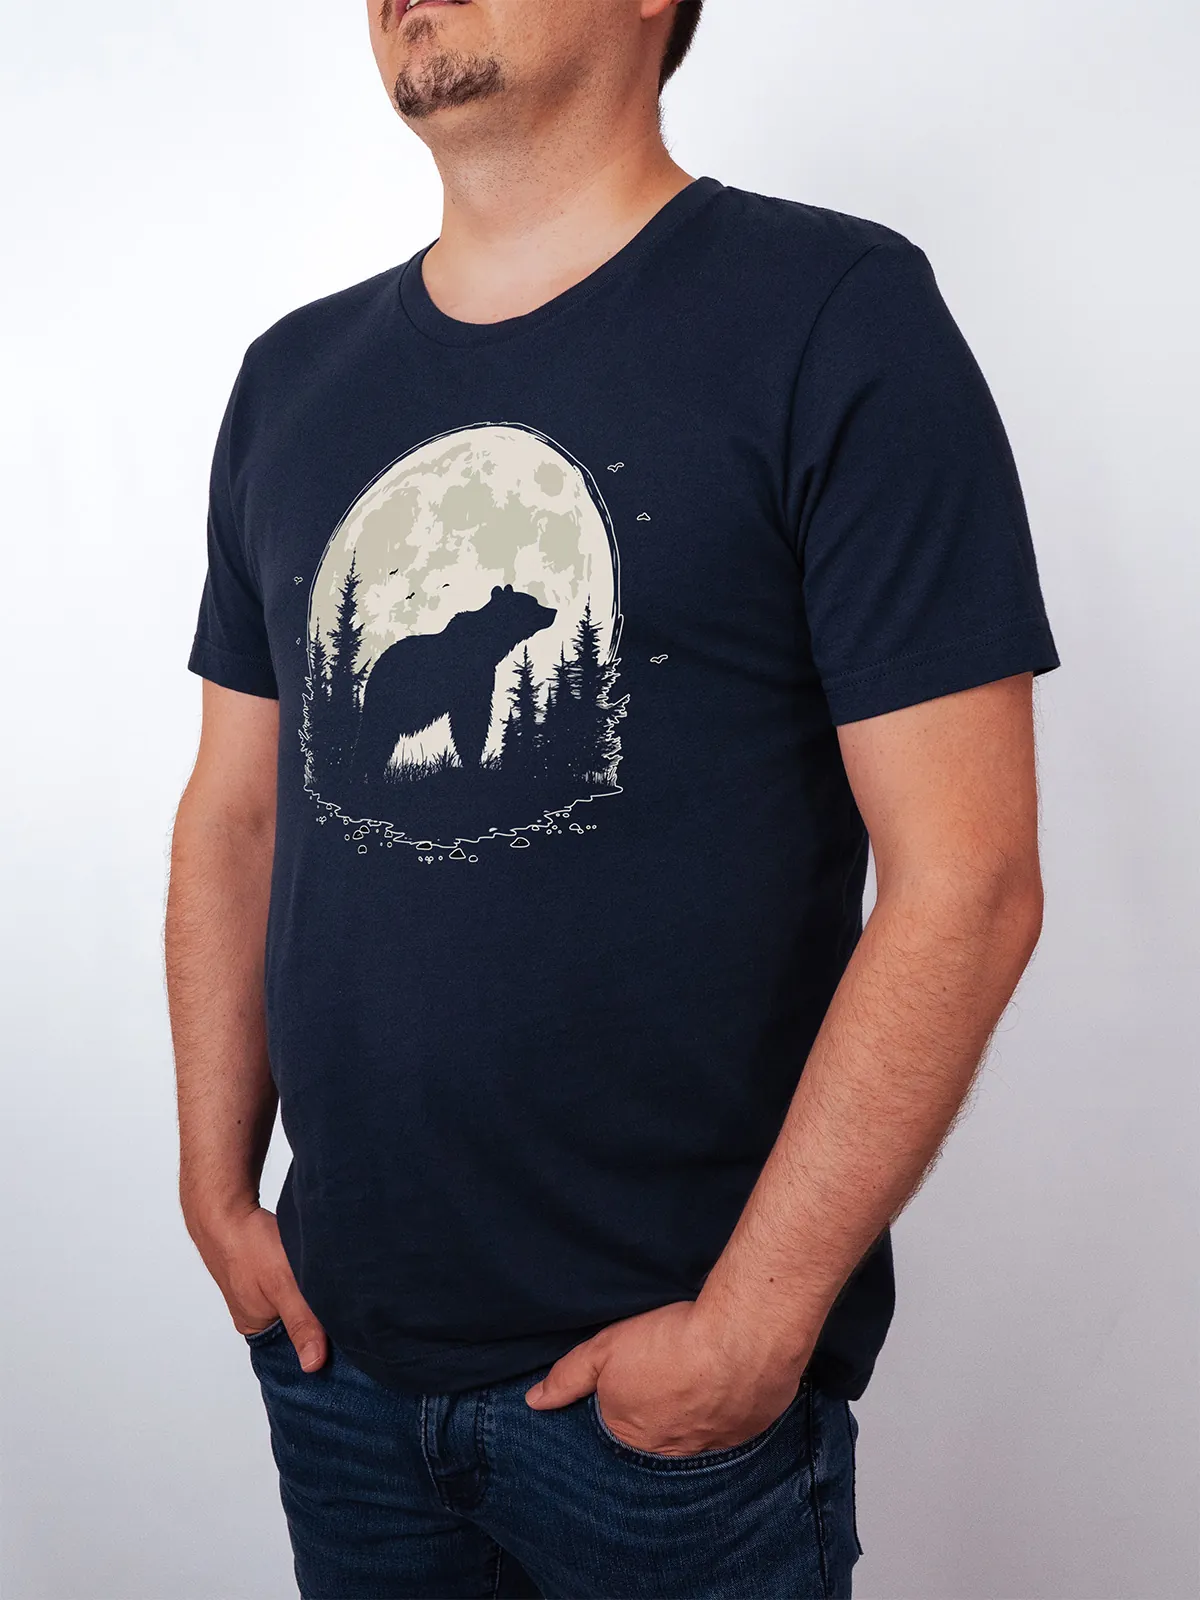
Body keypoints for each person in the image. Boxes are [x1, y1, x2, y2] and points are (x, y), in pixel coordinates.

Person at [165, 2, 1059, 1595]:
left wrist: (753, 1329)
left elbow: (969, 881)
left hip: (665, 1417)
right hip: (338, 1363)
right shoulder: (292, 380)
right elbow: (237, 814)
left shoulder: (832, 316)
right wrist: (217, 1192)